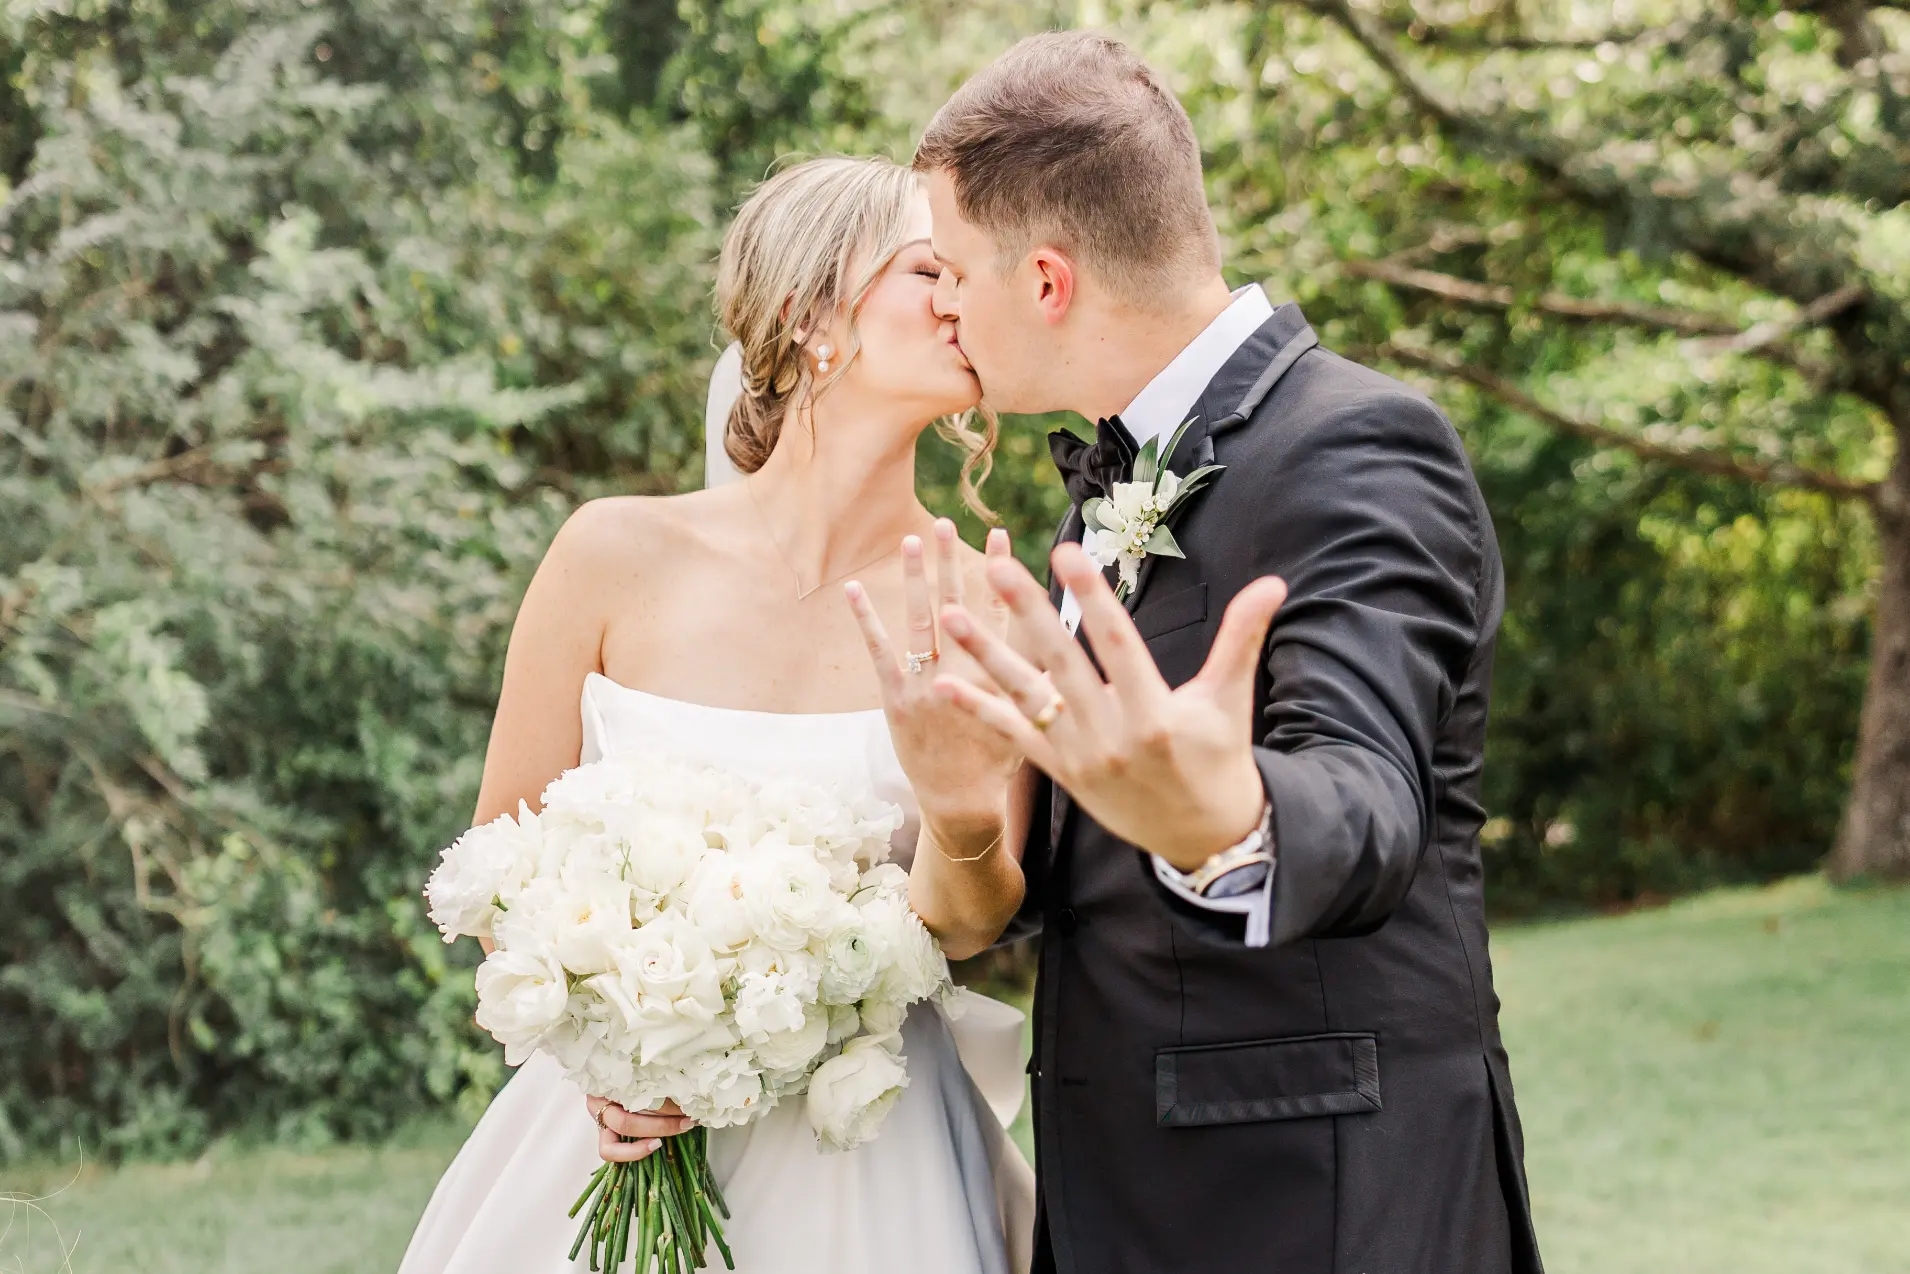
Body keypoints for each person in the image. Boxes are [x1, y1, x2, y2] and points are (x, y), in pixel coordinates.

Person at [897, 30, 1546, 1274]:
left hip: (1316, 1204)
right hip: (1130, 1194)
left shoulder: (1356, 443)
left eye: (950, 270)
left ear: (1044, 281)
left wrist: (1228, 819)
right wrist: (966, 811)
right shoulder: (1104, 487)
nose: (939, 305)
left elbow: (1363, 797)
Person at [397, 155, 1036, 1274]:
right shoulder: (610, 554)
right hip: (621, 1141)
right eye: (928, 268)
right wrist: (609, 1042)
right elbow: (494, 861)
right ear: (810, 316)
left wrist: (956, 814)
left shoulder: (981, 597)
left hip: (867, 1159)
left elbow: (967, 923)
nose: (959, 299)